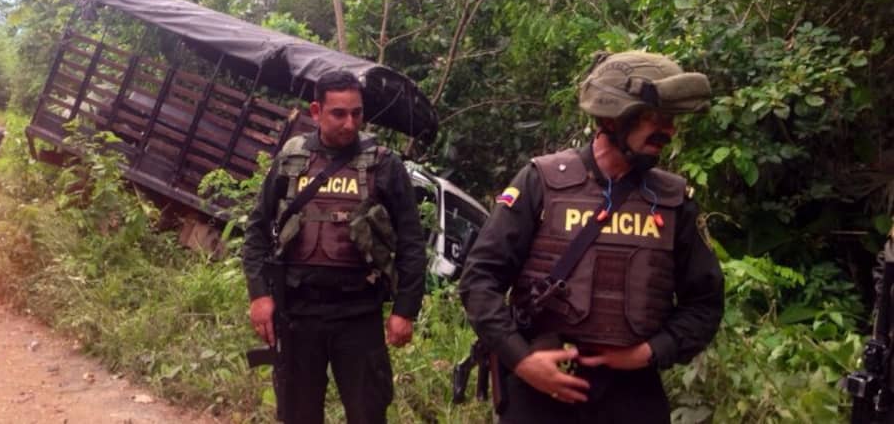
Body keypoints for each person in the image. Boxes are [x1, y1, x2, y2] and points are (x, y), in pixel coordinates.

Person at [459, 50, 725, 423]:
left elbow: (705, 302)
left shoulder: (673, 201)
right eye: (656, 118)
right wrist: (521, 359)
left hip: (632, 396)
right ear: (612, 118)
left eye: (672, 120)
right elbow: (479, 280)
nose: (670, 131)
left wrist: (649, 352)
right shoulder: (541, 182)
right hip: (539, 387)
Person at [242, 70, 427, 424]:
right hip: (298, 314)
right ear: (316, 111)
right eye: (339, 114)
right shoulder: (292, 160)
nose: (350, 123)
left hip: (359, 315)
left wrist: (405, 310)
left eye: (357, 113)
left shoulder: (384, 164)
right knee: (298, 415)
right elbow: (257, 230)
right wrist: (259, 295)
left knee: (368, 415)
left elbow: (411, 242)